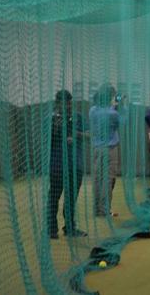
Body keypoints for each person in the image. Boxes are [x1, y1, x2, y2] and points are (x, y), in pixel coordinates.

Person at [48, 89, 88, 239]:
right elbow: (45, 141)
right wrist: (56, 128)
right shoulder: (51, 119)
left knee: (71, 198)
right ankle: (51, 229)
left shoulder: (78, 117)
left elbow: (90, 135)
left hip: (75, 165)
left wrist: (76, 135)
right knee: (54, 197)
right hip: (57, 165)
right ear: (58, 104)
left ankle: (70, 228)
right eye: (65, 103)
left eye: (70, 103)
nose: (69, 106)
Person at [89, 84, 123, 217]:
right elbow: (122, 121)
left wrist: (116, 101)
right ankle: (104, 210)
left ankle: (97, 209)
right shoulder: (113, 113)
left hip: (97, 149)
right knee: (108, 180)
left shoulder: (93, 110)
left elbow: (109, 109)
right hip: (110, 149)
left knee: (98, 179)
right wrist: (121, 105)